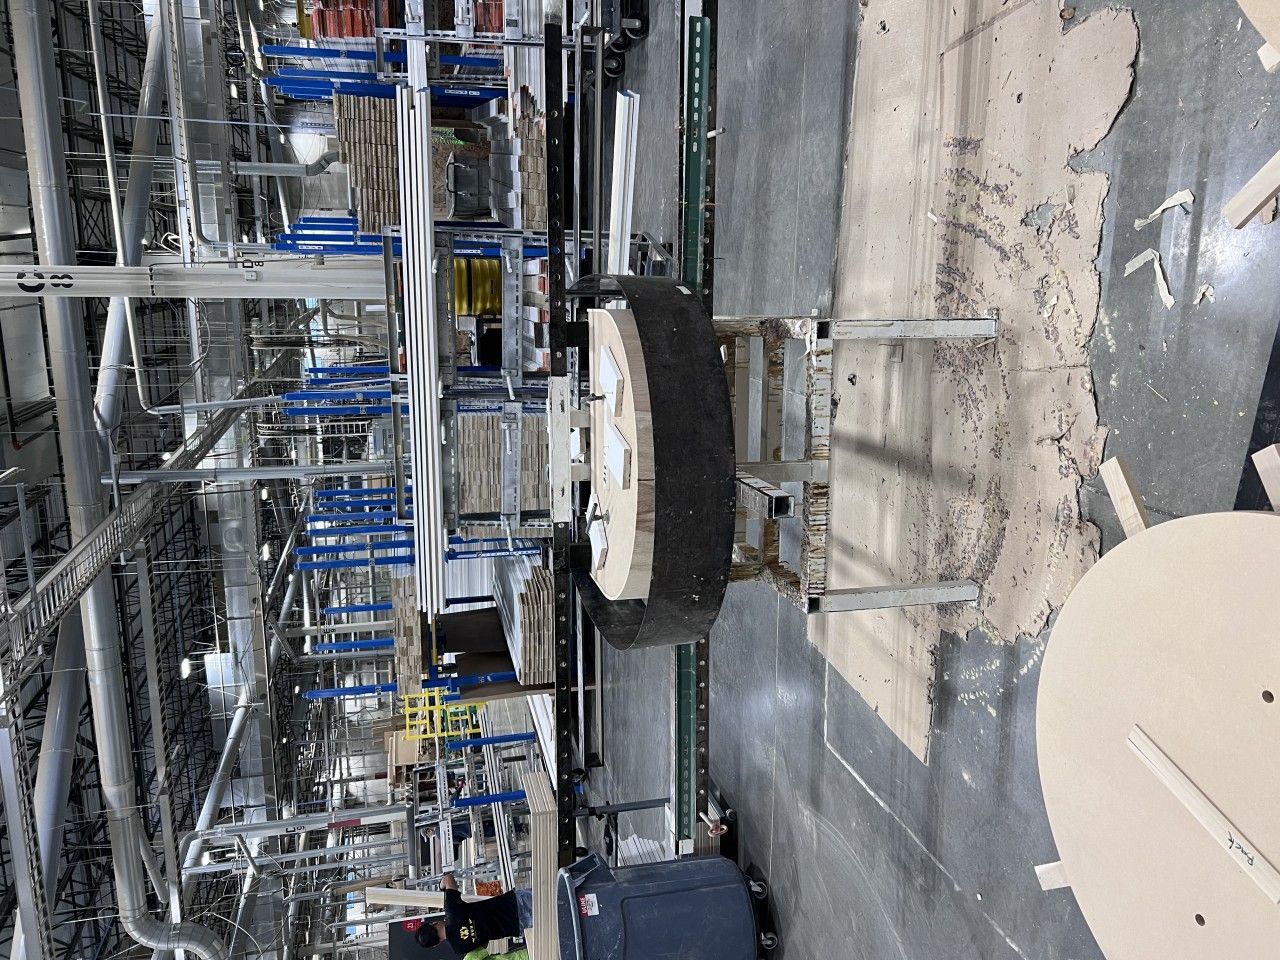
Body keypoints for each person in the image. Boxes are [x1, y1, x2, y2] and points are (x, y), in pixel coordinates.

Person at [414, 873, 533, 955]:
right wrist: (441, 886)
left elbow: (483, 944)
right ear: (432, 924)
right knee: (549, 892)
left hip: (518, 926)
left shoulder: (459, 948)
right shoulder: (452, 910)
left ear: (436, 944)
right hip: (515, 903)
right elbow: (448, 879)